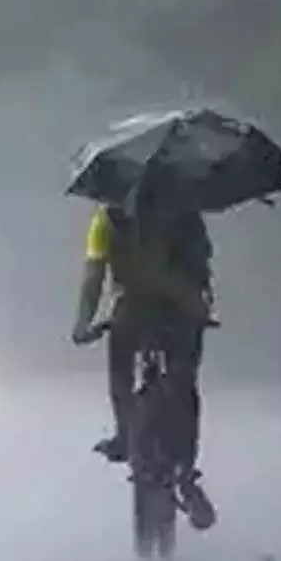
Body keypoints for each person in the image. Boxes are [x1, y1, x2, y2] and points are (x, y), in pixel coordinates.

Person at [71, 179, 216, 528]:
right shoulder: (186, 212)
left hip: (132, 312)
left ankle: (125, 435)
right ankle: (186, 474)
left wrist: (83, 323)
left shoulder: (107, 218)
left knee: (120, 375)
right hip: (181, 313)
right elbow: (203, 266)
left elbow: (94, 275)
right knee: (185, 386)